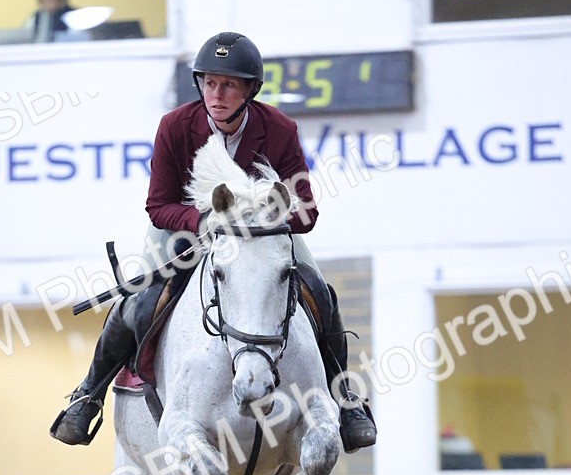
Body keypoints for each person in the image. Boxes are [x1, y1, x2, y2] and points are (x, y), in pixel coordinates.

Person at [50, 30, 377, 452]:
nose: (217, 95)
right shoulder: (174, 126)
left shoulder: (279, 129)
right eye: (209, 83)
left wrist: (265, 215)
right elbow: (158, 205)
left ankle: (346, 402)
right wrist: (204, 220)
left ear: (250, 90)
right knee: (137, 301)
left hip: (263, 235)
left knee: (319, 291)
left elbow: (307, 213)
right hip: (188, 231)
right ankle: (87, 395)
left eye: (228, 85)